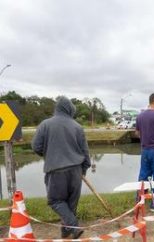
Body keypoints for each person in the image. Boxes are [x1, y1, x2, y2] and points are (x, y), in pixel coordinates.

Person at [32, 96, 91, 239]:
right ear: (70, 109)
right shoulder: (77, 126)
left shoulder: (45, 124)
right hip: (76, 170)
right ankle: (67, 231)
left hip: (56, 169)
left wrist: (49, 154)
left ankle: (72, 226)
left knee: (55, 201)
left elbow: (36, 147)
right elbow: (85, 152)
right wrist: (83, 169)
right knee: (71, 204)